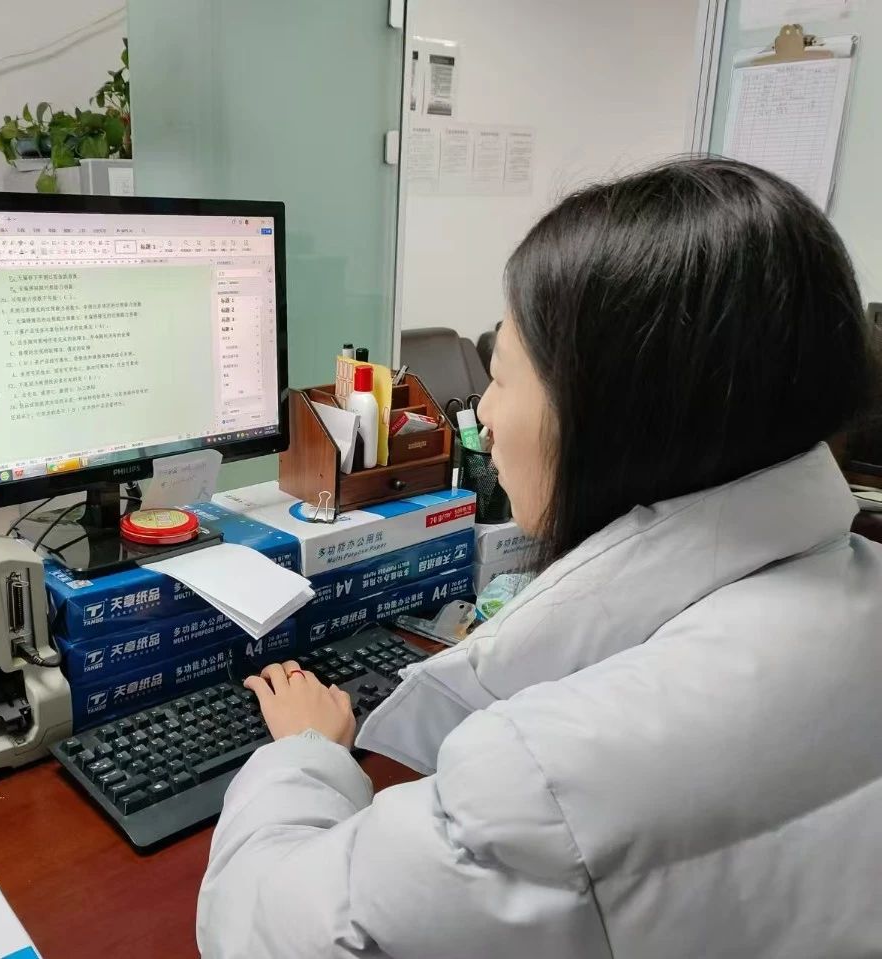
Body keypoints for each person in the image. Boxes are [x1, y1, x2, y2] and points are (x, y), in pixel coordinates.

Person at [197, 158, 882, 958]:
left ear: (608, 416)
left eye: (500, 377)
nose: (482, 415)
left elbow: (266, 931)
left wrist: (305, 758)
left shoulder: (545, 778)